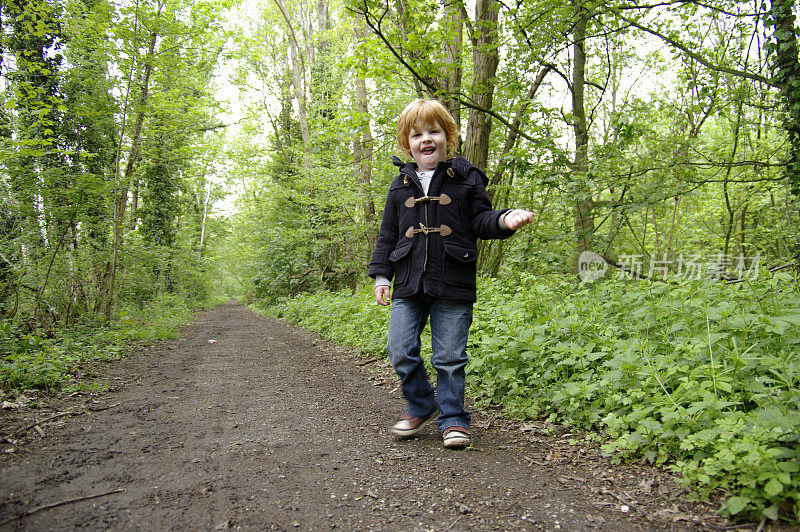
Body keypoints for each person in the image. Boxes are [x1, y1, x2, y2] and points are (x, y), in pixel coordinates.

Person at [368, 98, 535, 449]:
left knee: (449, 357)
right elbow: (387, 235)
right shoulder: (400, 186)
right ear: (406, 143)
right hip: (409, 283)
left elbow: (480, 219)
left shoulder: (464, 179)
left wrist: (504, 220)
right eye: (417, 134)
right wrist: (382, 276)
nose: (425, 139)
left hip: (453, 281)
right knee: (399, 349)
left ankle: (453, 419)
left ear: (448, 137)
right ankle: (421, 404)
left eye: (434, 131)